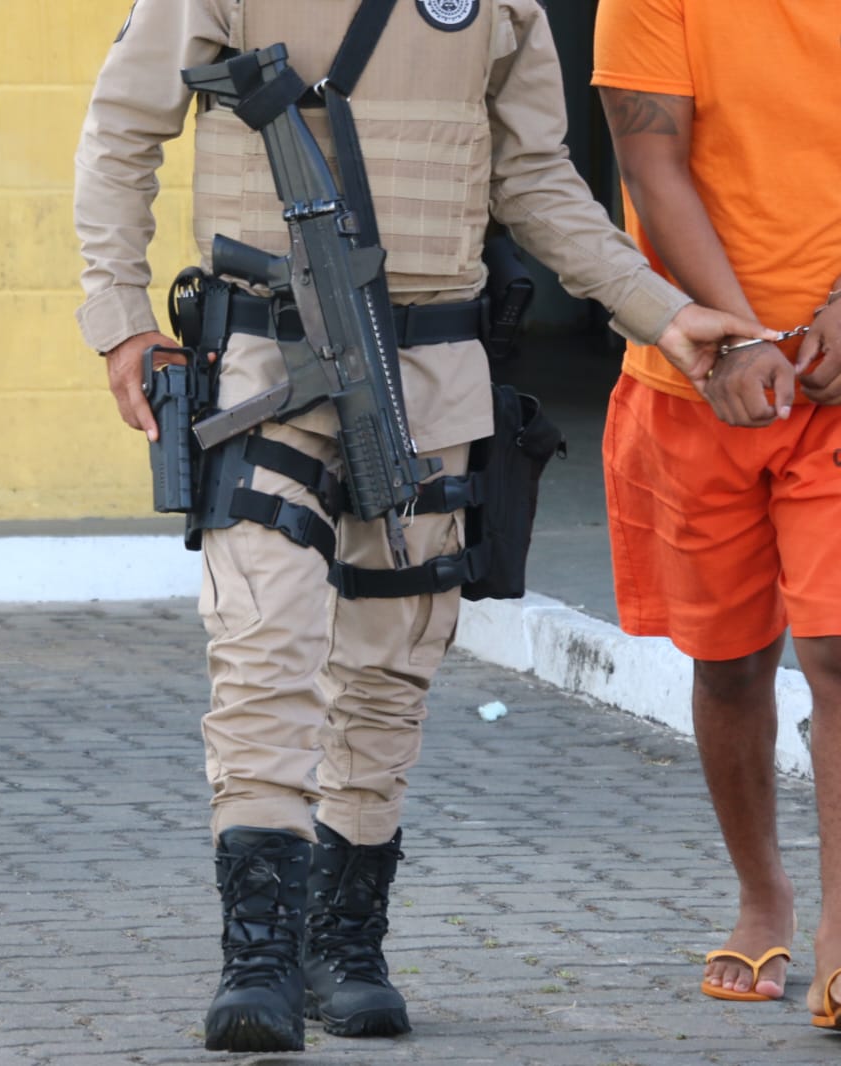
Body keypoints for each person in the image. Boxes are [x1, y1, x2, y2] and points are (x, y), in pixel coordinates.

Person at [73, 0, 771, 1053]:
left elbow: (534, 179)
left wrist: (659, 314)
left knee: (391, 666)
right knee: (264, 645)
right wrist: (121, 318)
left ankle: (344, 942)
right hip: (266, 359)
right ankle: (258, 956)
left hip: (434, 372)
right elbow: (122, 130)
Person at [592, 0, 841, 1038]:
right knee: (731, 659)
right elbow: (650, 162)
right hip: (697, 377)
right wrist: (733, 338)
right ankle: (761, 897)